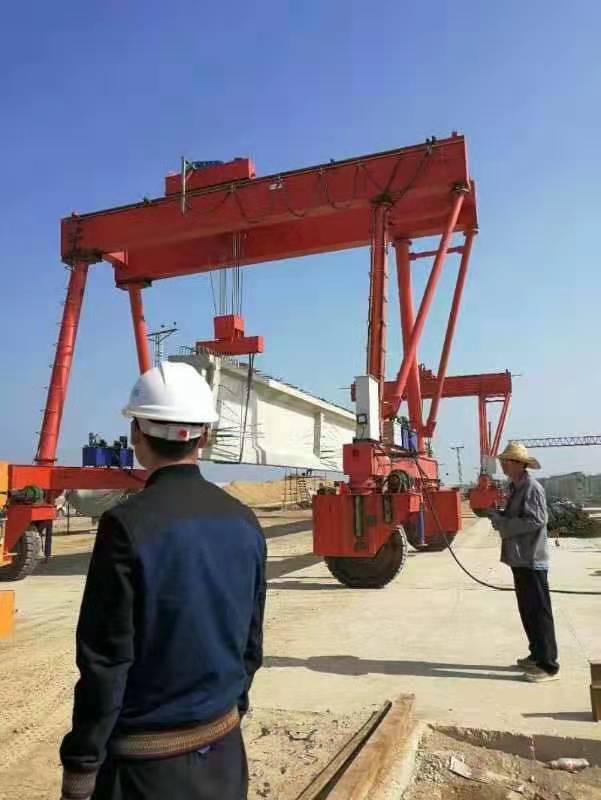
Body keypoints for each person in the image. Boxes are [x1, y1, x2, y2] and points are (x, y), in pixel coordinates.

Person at [60, 362, 267, 800]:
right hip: (226, 758)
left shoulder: (125, 526)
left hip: (145, 773)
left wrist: (82, 765)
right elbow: (251, 645)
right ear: (205, 436)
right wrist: (227, 713)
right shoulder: (245, 521)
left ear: (136, 434)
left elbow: (105, 663)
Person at [489, 442, 559, 683]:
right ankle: (536, 654)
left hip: (532, 559)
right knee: (528, 610)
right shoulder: (515, 487)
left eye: (506, 461)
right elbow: (518, 517)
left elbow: (537, 520)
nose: (502, 464)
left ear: (519, 464)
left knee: (539, 612)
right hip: (520, 559)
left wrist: (504, 524)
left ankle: (548, 665)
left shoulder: (531, 488)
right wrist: (498, 515)